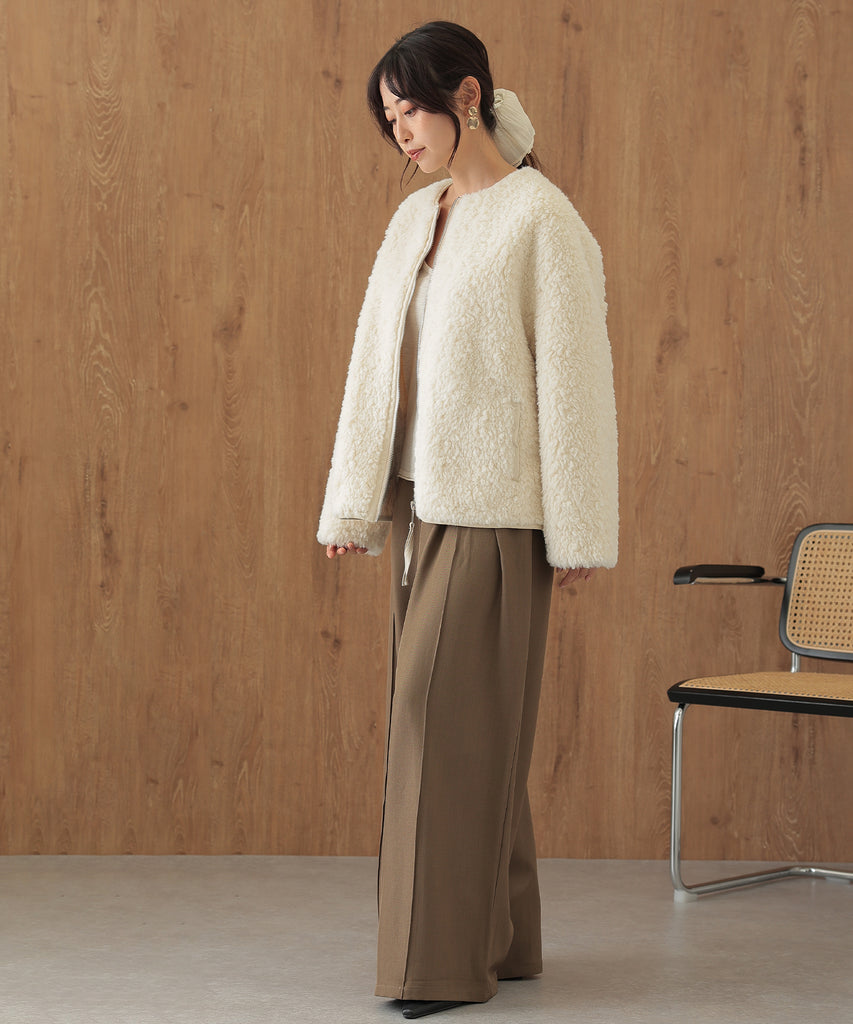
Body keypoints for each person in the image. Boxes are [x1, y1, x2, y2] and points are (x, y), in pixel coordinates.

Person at [317, 21, 618, 1020]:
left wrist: (578, 531)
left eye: (411, 109)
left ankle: (432, 966)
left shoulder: (542, 220)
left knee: (434, 723)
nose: (401, 131)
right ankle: (507, 939)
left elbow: (573, 384)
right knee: (470, 725)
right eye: (389, 118)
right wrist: (353, 501)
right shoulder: (414, 218)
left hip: (496, 511)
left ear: (468, 96)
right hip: (420, 502)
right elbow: (373, 362)